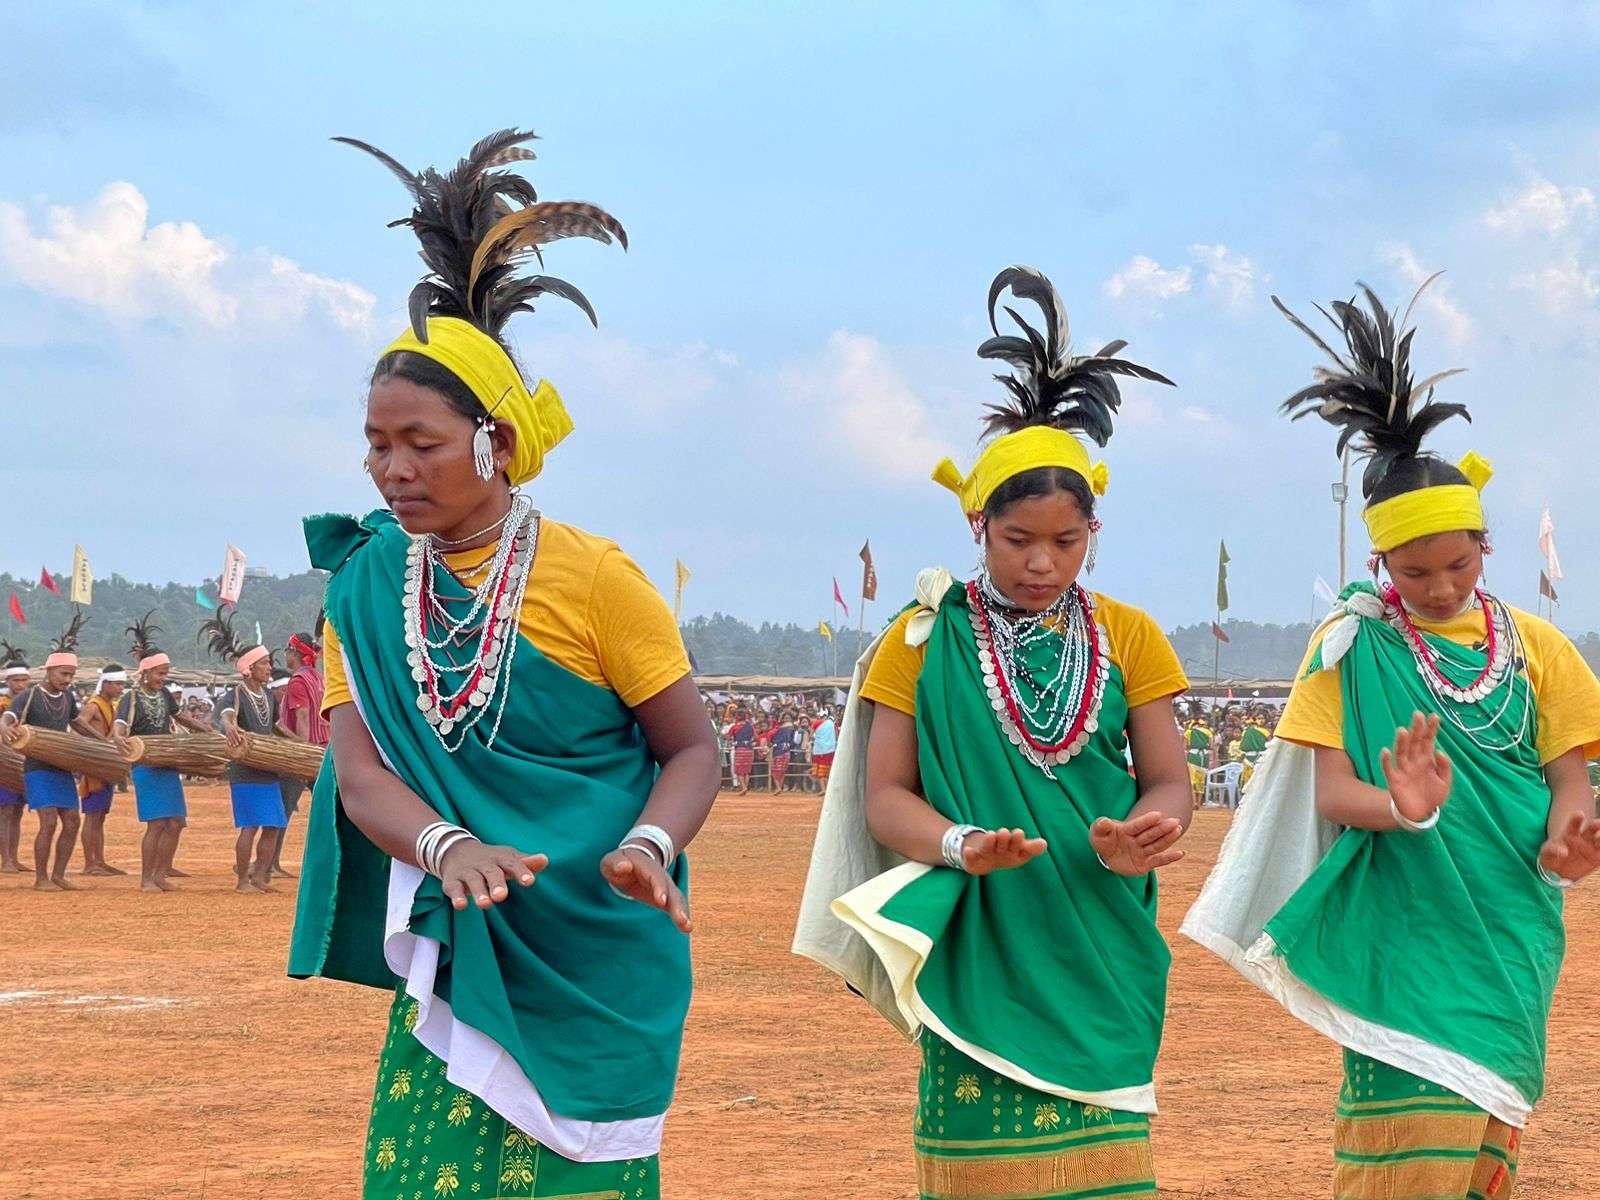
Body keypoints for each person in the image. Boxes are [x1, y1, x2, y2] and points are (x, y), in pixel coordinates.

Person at [287, 128, 719, 1200]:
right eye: (377, 442)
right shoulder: (364, 585)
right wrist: (445, 848)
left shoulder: (597, 580)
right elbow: (361, 768)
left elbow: (691, 749)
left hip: (595, 939)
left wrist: (650, 843)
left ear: (498, 444)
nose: (393, 469)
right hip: (461, 935)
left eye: (421, 443)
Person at [1183, 279, 1600, 1200]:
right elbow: (1334, 795)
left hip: (1512, 930)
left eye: (1459, 563)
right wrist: (1403, 808)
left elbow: (1569, 776)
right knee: (1406, 1156)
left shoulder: (1539, 648)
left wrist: (1572, 834)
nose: (1442, 586)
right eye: (1415, 572)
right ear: (1379, 562)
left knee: (1484, 1157)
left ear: (1485, 545)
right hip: (1406, 936)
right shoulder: (1350, 649)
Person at [795, 266, 1192, 1198]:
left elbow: (1168, 779)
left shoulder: (1129, 635)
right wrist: (960, 843)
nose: (1042, 562)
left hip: (1100, 930)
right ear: (978, 522)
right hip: (981, 937)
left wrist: (1149, 831)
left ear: (1095, 527)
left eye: (1067, 541)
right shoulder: (921, 637)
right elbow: (885, 798)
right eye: (1018, 540)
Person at [112, 613, 210, 891]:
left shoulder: (165, 695)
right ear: (145, 672)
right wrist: (119, 739)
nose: (163, 678)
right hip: (145, 765)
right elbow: (121, 726)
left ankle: (160, 875)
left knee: (177, 822)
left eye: (165, 673)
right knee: (156, 824)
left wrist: (207, 731)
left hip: (168, 764)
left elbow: (182, 718)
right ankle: (146, 880)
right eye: (159, 673)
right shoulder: (130, 697)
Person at [0, 610, 96, 890]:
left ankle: (58, 875)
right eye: (64, 674)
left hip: (62, 768)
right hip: (37, 769)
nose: (68, 679)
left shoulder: (66, 696)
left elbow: (76, 722)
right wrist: (5, 725)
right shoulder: (29, 696)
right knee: (49, 821)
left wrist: (102, 742)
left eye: (71, 675)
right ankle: (41, 878)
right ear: (49, 671)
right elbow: (9, 717)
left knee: (71, 822)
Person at [202, 611, 288, 894]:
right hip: (245, 771)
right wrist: (229, 727)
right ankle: (241, 882)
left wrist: (301, 744)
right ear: (249, 668)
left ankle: (261, 877)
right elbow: (226, 716)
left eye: (269, 663)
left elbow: (275, 727)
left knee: (273, 826)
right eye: (264, 664)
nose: (269, 668)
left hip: (268, 769)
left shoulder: (268, 696)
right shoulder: (235, 694)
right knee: (250, 827)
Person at [271, 630, 328, 879]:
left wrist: (303, 748)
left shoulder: (297, 681)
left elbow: (302, 718)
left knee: (282, 809)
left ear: (294, 652)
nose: (286, 656)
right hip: (324, 751)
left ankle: (271, 862)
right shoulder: (319, 677)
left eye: (287, 651)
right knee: (326, 808)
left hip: (302, 754)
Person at [76, 664, 128, 875]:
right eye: (117, 684)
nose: (120, 688)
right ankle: (90, 863)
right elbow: (79, 723)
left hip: (105, 763)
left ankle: (100, 860)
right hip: (95, 763)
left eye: (122, 684)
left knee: (100, 815)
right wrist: (101, 741)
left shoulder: (110, 705)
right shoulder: (94, 705)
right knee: (92, 814)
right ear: (105, 684)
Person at [0, 648, 30, 872]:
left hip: (24, 762)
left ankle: (14, 857)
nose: (20, 684)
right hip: (4, 764)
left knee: (18, 812)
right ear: (7, 680)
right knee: (6, 811)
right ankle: (6, 860)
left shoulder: (29, 704)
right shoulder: (3, 704)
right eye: (16, 680)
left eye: (23, 680)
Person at [725, 707, 756, 794]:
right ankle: (745, 787)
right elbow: (756, 737)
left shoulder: (735, 727)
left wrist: (726, 736)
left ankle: (743, 787)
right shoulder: (750, 726)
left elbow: (727, 737)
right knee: (746, 770)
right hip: (749, 749)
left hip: (739, 749)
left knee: (739, 770)